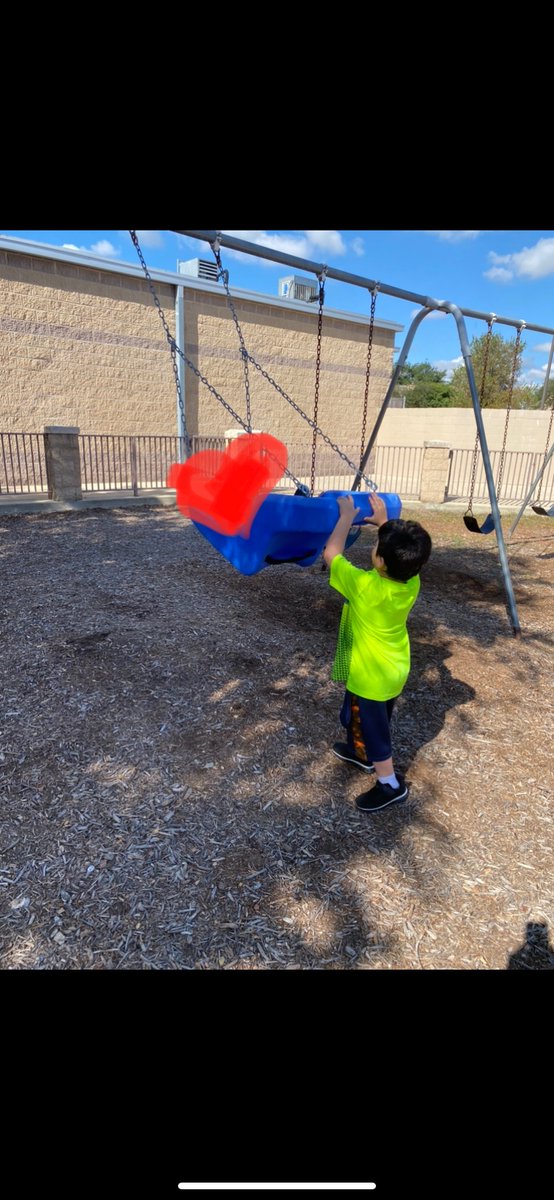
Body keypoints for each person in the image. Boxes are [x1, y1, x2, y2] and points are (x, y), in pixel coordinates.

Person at [323, 493, 432, 813]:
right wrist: (384, 522)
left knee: (375, 728)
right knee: (368, 715)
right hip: (395, 666)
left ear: (381, 560)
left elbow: (331, 554)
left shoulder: (364, 587)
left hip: (371, 675)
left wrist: (345, 516)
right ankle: (361, 754)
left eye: (377, 548)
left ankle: (389, 784)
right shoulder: (410, 581)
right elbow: (399, 556)